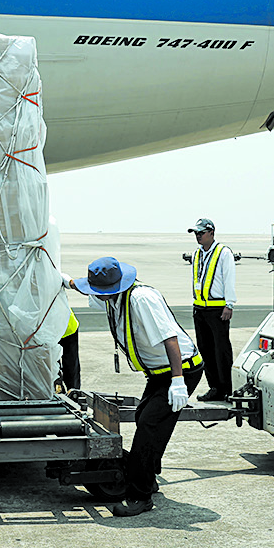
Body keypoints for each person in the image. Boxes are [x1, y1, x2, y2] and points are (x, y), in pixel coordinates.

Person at [68, 256, 202, 517]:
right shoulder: (114, 297)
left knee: (150, 425)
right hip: (158, 373)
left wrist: (178, 382)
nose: (97, 295)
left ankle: (140, 496)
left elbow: (169, 337)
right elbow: (85, 288)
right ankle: (148, 478)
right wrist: (67, 282)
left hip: (180, 369)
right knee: (144, 417)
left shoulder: (142, 300)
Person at [186, 218, 236, 401]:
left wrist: (229, 304)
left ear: (211, 233)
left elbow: (229, 278)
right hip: (200, 309)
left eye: (201, 233)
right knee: (206, 350)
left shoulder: (223, 253)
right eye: (196, 233)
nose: (198, 236)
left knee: (221, 350)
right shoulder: (196, 254)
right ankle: (215, 387)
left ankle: (227, 388)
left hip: (218, 310)